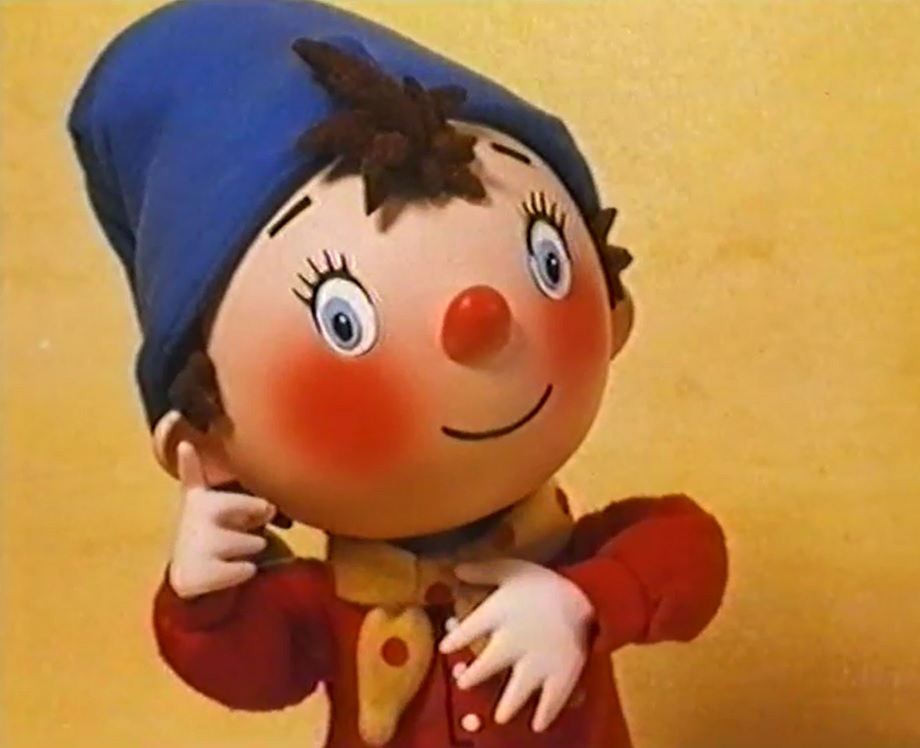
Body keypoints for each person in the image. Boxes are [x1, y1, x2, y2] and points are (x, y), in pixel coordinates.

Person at [68, 2, 728, 746]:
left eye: (545, 259)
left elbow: (685, 554)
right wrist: (203, 599)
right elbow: (255, 671)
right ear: (205, 441)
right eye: (342, 320)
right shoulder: (325, 605)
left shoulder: (566, 553)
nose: (480, 323)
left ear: (614, 309)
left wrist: (581, 602)